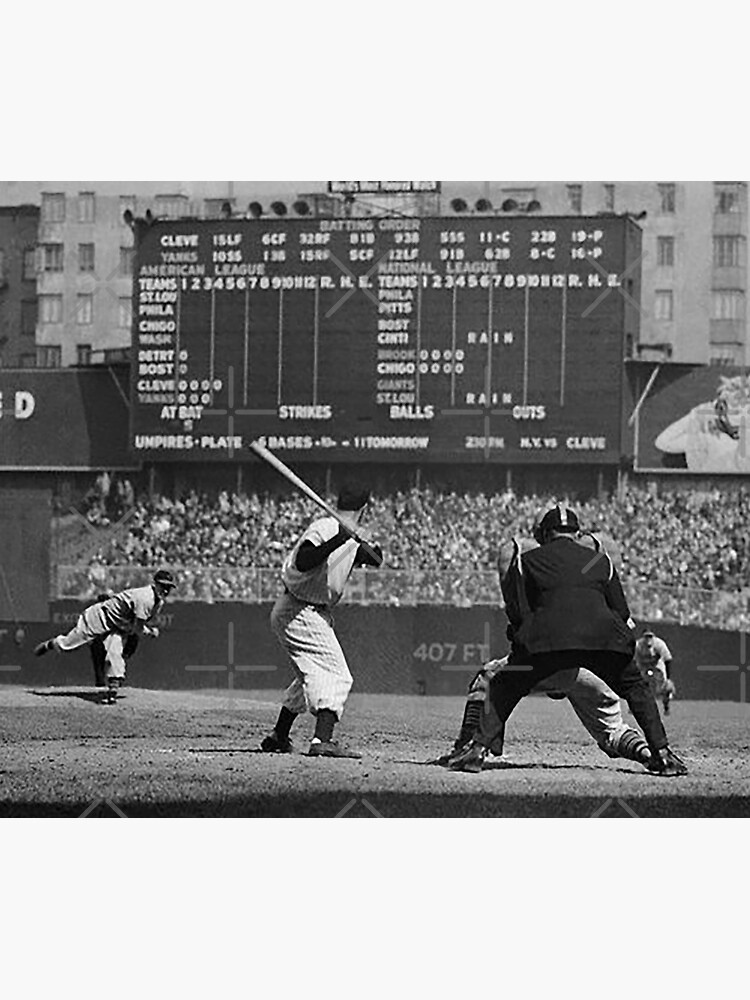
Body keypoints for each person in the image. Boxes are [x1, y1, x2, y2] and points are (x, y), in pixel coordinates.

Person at [450, 506, 687, 776]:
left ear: (544, 534)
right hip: (600, 651)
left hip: (547, 646)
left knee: (500, 684)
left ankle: (474, 750)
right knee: (634, 692)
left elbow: (519, 614)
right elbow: (621, 612)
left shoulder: (526, 559)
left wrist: (522, 650)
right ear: (577, 533)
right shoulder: (600, 559)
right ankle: (661, 754)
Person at [261, 487, 382, 758]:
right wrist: (340, 537)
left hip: (308, 611)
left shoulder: (350, 536)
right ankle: (321, 740)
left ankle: (279, 735)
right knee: (337, 675)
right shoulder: (326, 527)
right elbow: (304, 561)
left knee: (308, 677)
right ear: (364, 508)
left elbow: (376, 560)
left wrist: (365, 543)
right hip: (299, 608)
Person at [34, 571, 176, 704]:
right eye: (163, 586)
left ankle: (112, 690)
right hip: (100, 617)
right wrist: (150, 632)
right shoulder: (146, 598)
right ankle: (52, 644)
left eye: (168, 587)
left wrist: (141, 632)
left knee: (114, 652)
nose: (165, 590)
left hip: (118, 626)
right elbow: (138, 628)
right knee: (67, 645)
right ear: (155, 584)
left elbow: (135, 626)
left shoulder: (158, 603)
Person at [634, 630, 676, 714]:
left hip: (657, 666)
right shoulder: (638, 645)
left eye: (650, 636)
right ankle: (635, 707)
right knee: (637, 686)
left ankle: (666, 706)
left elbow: (668, 659)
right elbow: (633, 660)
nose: (648, 639)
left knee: (665, 687)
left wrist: (668, 678)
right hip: (643, 666)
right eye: (646, 636)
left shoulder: (659, 644)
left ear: (653, 637)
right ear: (643, 637)